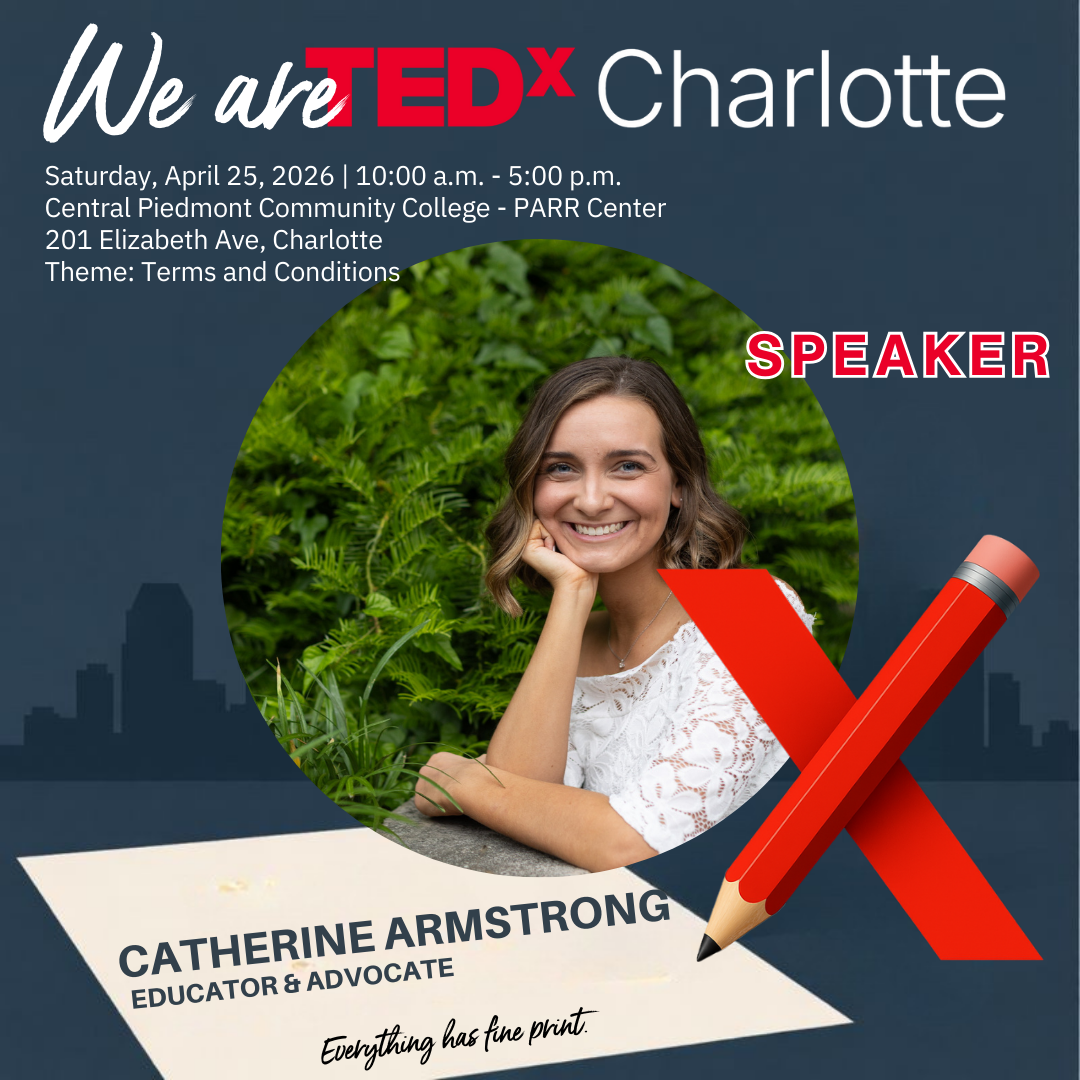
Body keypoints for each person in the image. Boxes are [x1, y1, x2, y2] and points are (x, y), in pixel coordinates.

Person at [414, 356, 813, 871]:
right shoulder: (582, 637)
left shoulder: (759, 619)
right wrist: (572, 596)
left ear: (679, 485)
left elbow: (638, 844)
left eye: (627, 466)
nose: (593, 499)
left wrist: (463, 781)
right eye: (561, 468)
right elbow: (517, 796)